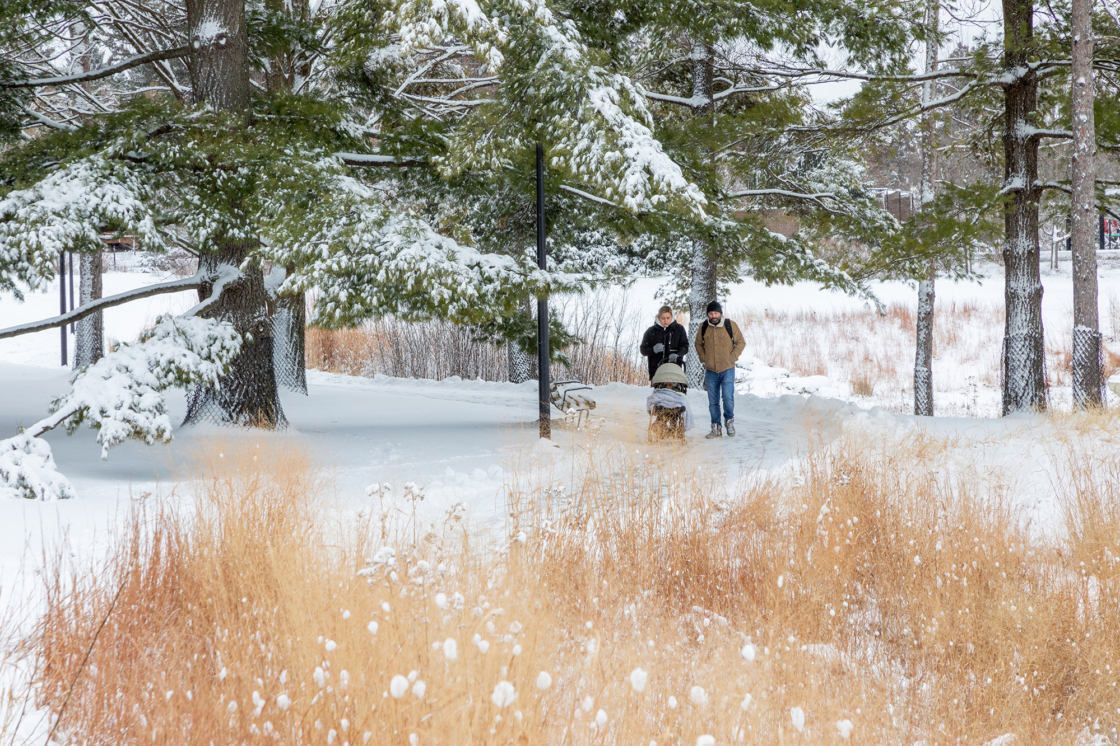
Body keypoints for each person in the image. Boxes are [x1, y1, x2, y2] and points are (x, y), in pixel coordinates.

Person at [693, 300, 745, 439]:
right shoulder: (703, 327)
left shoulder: (730, 325)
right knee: (713, 401)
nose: (713, 315)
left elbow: (741, 342)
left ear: (720, 313)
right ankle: (716, 428)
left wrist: (732, 357)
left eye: (716, 313)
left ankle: (729, 421)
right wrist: (704, 358)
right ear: (708, 314)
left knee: (728, 397)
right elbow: (698, 344)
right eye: (711, 313)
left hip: (727, 368)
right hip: (711, 370)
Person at [646, 362, 694, 442]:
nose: (668, 386)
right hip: (662, 403)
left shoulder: (676, 391)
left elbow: (682, 399)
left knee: (671, 412)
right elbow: (655, 398)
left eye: (670, 384)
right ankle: (664, 428)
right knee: (667, 412)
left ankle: (667, 428)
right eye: (666, 384)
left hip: (674, 401)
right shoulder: (661, 390)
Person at [639, 305, 689, 382]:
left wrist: (678, 354)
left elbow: (685, 347)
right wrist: (653, 350)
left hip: (674, 369)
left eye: (668, 318)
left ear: (672, 317)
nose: (666, 321)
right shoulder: (651, 331)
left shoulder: (679, 329)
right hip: (656, 371)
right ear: (659, 318)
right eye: (663, 318)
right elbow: (643, 350)